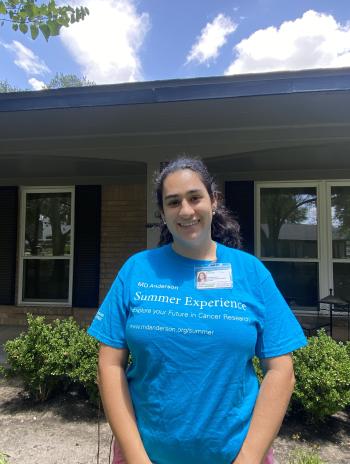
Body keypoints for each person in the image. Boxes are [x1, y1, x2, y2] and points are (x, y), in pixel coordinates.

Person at [88, 157, 307, 464]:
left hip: (235, 454)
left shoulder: (251, 273)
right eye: (173, 202)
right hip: (146, 453)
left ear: (213, 201)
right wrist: (137, 459)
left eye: (195, 197)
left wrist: (248, 458)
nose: (186, 210)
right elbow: (109, 365)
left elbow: (282, 370)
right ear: (162, 214)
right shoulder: (136, 270)